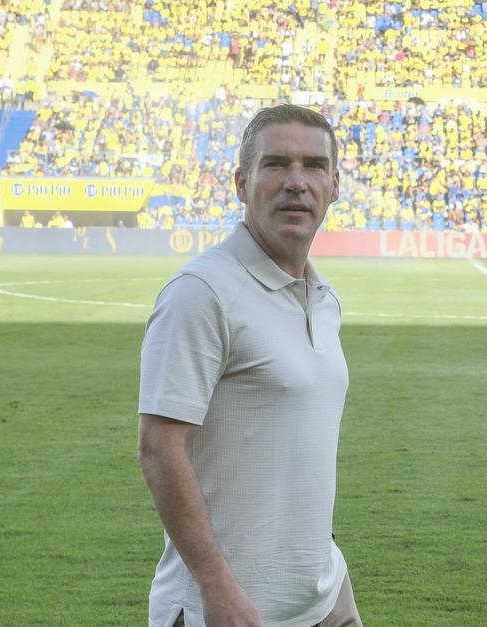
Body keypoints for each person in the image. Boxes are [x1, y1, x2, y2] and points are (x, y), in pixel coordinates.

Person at [138, 104, 362, 627]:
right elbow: (159, 448)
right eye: (276, 164)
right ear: (242, 183)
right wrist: (216, 586)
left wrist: (327, 568)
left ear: (335, 185)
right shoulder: (202, 293)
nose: (296, 182)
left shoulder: (324, 298)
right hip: (228, 608)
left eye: (313, 166)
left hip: (324, 598)